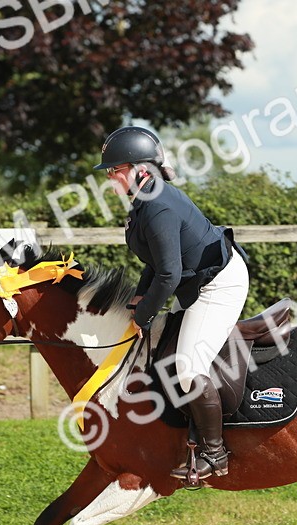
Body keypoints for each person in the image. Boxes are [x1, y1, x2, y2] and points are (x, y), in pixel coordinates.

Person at [94, 125, 250, 481]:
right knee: (164, 353)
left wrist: (144, 315)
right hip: (195, 281)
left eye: (115, 171)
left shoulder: (157, 205)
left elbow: (169, 274)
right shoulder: (146, 199)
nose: (111, 179)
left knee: (188, 369)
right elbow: (157, 262)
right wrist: (139, 296)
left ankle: (215, 454)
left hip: (218, 285)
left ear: (141, 170)